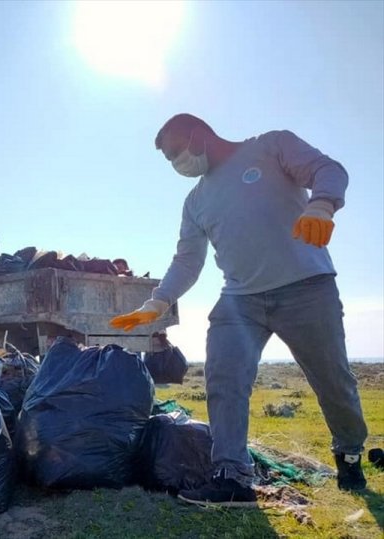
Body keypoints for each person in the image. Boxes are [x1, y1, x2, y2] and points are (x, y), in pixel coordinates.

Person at [111, 114, 368, 506]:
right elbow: (187, 260)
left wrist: (322, 204)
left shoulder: (271, 146)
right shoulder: (195, 201)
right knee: (224, 380)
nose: (176, 163)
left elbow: (329, 169)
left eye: (176, 152)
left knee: (333, 382)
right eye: (169, 159)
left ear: (197, 135)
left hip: (306, 288)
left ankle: (349, 453)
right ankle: (232, 477)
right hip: (239, 299)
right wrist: (157, 301)